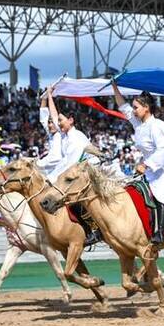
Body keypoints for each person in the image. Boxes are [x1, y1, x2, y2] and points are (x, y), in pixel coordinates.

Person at [112, 81, 164, 245]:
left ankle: (159, 233)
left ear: (146, 108)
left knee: (159, 193)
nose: (133, 111)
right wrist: (114, 87)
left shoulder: (157, 126)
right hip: (148, 167)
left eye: (136, 108)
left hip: (163, 168)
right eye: (133, 107)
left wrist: (147, 165)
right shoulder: (139, 124)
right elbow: (123, 107)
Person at [47, 87, 104, 246]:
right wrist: (50, 95)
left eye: (61, 120)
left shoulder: (76, 139)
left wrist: (51, 179)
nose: (58, 123)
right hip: (78, 170)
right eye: (58, 121)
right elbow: (53, 114)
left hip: (91, 171)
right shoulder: (65, 133)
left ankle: (95, 230)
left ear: (71, 120)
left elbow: (69, 165)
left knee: (73, 200)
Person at [36, 88, 62, 176]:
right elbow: (43, 115)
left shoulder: (61, 132)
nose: (50, 125)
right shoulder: (51, 133)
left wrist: (50, 95)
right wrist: (44, 97)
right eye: (49, 123)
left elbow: (54, 115)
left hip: (60, 170)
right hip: (51, 169)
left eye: (52, 123)